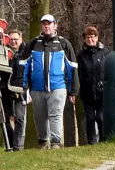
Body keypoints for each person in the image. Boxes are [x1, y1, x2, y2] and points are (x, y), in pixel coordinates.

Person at [22, 14, 78, 148]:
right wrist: (24, 87)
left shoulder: (64, 44)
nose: (47, 26)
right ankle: (43, 142)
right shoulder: (33, 44)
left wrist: (73, 90)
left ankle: (56, 143)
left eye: (50, 23)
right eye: (44, 24)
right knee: (40, 117)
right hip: (37, 88)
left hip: (58, 87)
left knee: (56, 115)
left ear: (55, 26)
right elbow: (24, 66)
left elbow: (72, 67)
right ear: (41, 26)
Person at [77, 26, 110, 145]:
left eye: (92, 37)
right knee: (90, 118)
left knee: (100, 118)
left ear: (97, 37)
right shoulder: (81, 55)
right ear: (84, 39)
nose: (90, 40)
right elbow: (78, 73)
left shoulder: (105, 52)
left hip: (102, 92)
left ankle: (103, 139)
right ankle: (91, 142)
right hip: (87, 92)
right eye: (88, 37)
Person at [7, 30, 26, 150]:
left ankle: (17, 146)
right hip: (5, 89)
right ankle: (11, 142)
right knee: (4, 118)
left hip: (20, 89)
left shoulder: (26, 53)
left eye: (16, 39)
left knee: (19, 118)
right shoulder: (4, 52)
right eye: (11, 39)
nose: (13, 41)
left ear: (21, 39)